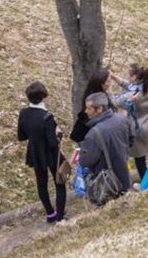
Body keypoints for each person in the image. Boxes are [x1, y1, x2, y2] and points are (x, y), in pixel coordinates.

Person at [17, 81, 67, 223]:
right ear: (43, 96)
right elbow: (53, 142)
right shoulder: (47, 117)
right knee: (60, 182)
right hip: (52, 153)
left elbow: (21, 136)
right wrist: (58, 134)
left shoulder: (23, 113)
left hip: (35, 152)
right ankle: (60, 215)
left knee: (41, 183)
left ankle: (50, 213)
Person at [78, 92, 131, 203]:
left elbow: (85, 161)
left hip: (107, 182)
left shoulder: (93, 134)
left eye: (89, 108)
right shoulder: (122, 120)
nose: (86, 111)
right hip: (124, 173)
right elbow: (131, 140)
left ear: (100, 109)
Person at [114, 64, 148, 180]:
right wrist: (116, 78)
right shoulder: (146, 87)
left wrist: (106, 92)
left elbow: (116, 102)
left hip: (137, 128)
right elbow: (129, 86)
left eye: (129, 75)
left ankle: (145, 182)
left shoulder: (132, 95)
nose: (127, 77)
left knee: (139, 157)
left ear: (135, 77)